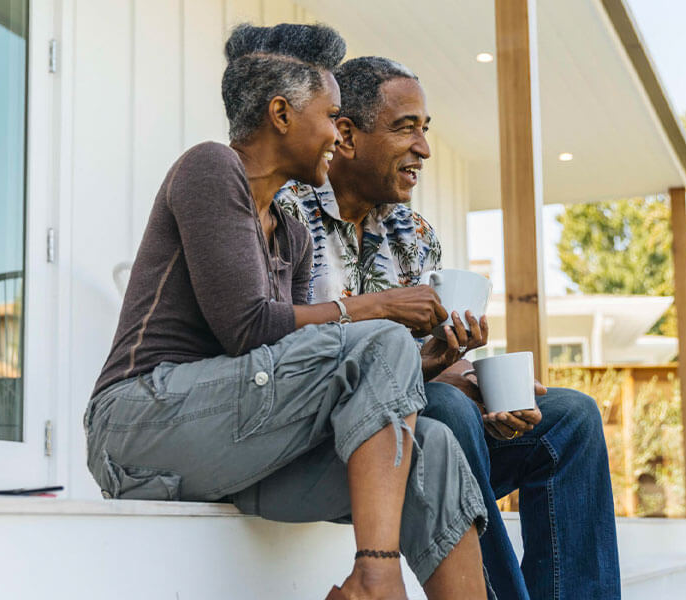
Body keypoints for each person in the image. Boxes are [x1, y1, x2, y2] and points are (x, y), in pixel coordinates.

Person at [84, 25, 487, 600]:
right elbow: (248, 329)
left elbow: (297, 366)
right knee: (380, 335)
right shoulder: (210, 169)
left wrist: (423, 363)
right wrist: (378, 307)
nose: (336, 136)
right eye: (329, 116)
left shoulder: (293, 235)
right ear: (281, 114)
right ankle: (376, 577)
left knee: (436, 451)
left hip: (235, 441)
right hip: (137, 426)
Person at [277, 56, 621, 600]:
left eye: (426, 130)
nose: (424, 149)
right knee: (447, 408)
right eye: (405, 128)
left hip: (426, 422)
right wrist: (443, 383)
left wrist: (475, 378)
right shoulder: (288, 214)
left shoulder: (413, 233)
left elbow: (432, 362)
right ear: (345, 134)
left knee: (570, 418)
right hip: (339, 441)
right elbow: (288, 358)